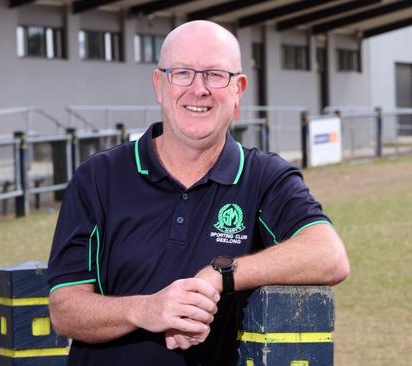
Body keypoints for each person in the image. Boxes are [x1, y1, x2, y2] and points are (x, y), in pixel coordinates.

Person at [47, 20, 349, 365]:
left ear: (238, 90)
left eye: (215, 75)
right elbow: (64, 310)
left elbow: (329, 256)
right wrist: (145, 309)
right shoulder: (99, 177)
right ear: (159, 84)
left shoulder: (265, 177)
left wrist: (220, 275)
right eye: (183, 73)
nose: (199, 89)